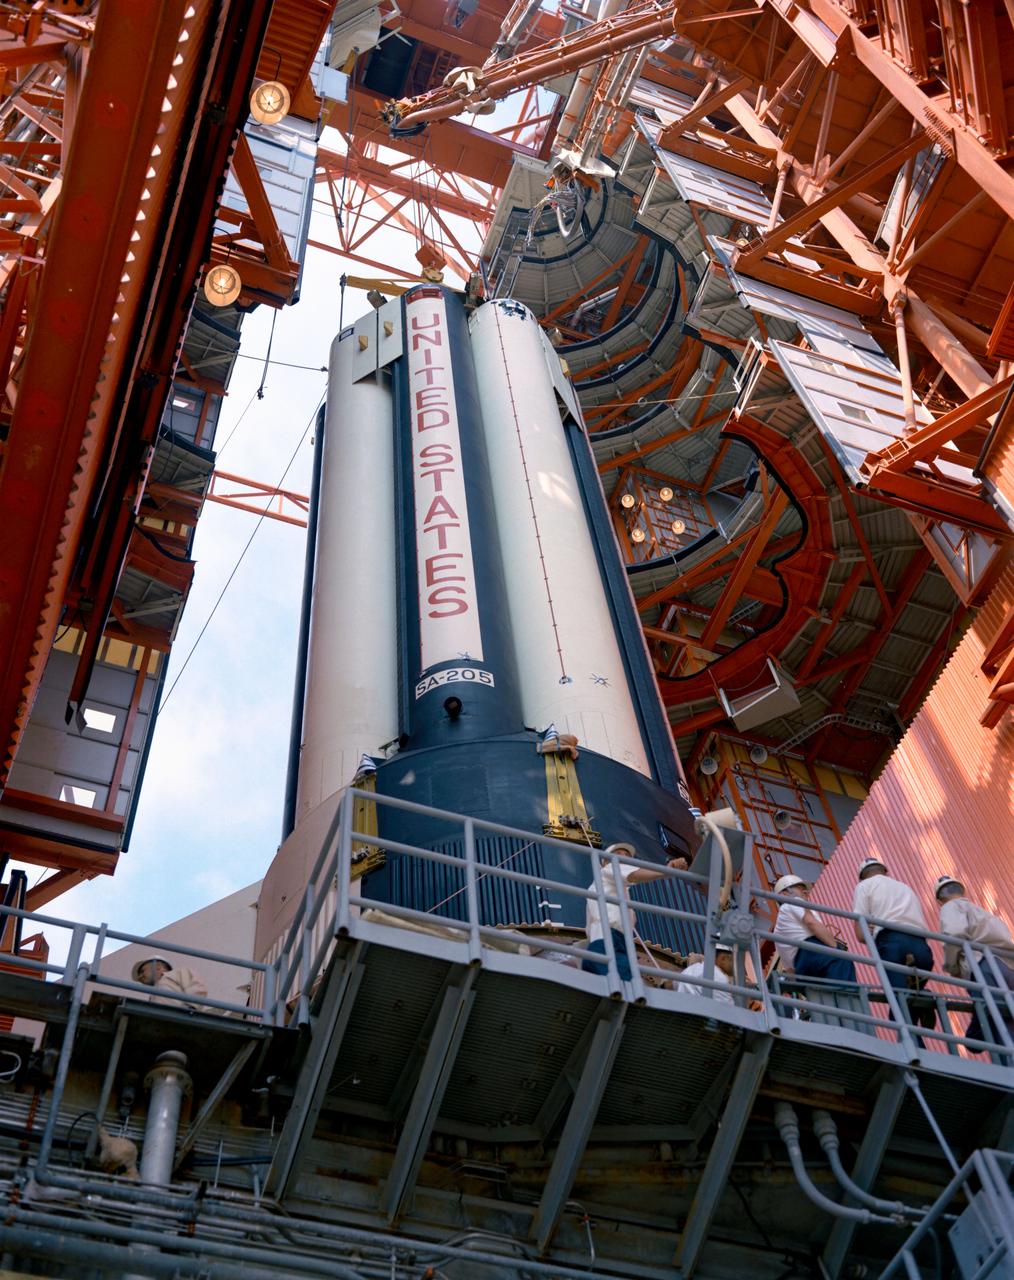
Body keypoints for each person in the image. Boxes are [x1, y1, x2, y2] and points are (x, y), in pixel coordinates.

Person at [582, 847, 688, 980]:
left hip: (614, 938)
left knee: (619, 971)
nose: (623, 857)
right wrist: (667, 870)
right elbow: (634, 875)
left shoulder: (614, 892)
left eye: (627, 855)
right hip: (609, 936)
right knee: (624, 975)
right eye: (618, 854)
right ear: (605, 862)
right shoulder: (608, 869)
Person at [851, 858, 934, 1026]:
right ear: (886, 871)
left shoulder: (864, 887)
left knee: (899, 1011)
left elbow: (860, 933)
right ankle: (924, 998)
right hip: (921, 946)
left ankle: (915, 1046)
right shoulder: (905, 888)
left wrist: (869, 931)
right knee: (907, 1002)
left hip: (892, 943)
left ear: (862, 877)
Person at [935, 876, 1014, 1046]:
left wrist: (952, 966)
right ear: (962, 891)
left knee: (995, 1015)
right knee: (1007, 1014)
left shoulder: (950, 907)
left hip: (985, 966)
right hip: (1009, 967)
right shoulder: (985, 913)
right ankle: (977, 1040)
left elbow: (954, 934)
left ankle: (984, 1046)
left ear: (939, 901)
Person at [773, 874, 856, 982]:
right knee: (843, 960)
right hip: (812, 951)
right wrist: (837, 948)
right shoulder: (791, 903)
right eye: (799, 888)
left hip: (802, 970)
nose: (805, 892)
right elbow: (811, 923)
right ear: (783, 894)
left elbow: (790, 970)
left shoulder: (778, 931)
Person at [131, 952, 209, 1006]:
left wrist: (191, 1008)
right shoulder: (153, 994)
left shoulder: (177, 974)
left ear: (157, 967)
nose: (140, 977)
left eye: (142, 971)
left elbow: (197, 987)